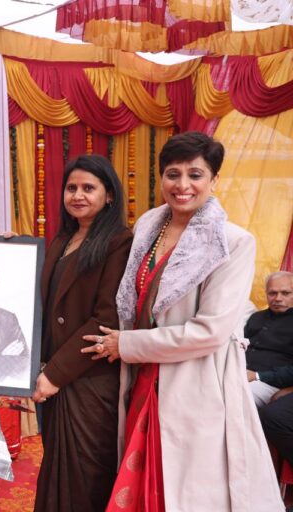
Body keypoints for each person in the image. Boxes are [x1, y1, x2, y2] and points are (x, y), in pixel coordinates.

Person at [81, 132, 283, 510]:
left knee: (187, 493)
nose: (183, 185)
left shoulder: (233, 242)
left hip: (197, 383)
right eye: (173, 174)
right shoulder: (147, 226)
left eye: (196, 174)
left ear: (214, 180)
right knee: (139, 483)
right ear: (161, 178)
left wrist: (126, 344)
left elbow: (210, 332)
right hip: (143, 378)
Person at [31, 154, 133, 512]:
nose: (77, 195)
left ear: (109, 195)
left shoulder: (119, 242)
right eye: (71, 187)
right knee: (57, 474)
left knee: (86, 480)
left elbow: (107, 319)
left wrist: (55, 374)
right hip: (53, 377)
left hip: (89, 381)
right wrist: (12, 250)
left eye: (88, 188)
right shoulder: (62, 239)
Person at [246, 271, 293, 406]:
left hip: (271, 384)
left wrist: (257, 375)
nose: (278, 298)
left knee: (232, 395)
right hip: (238, 374)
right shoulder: (256, 317)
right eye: (272, 293)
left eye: (285, 293)